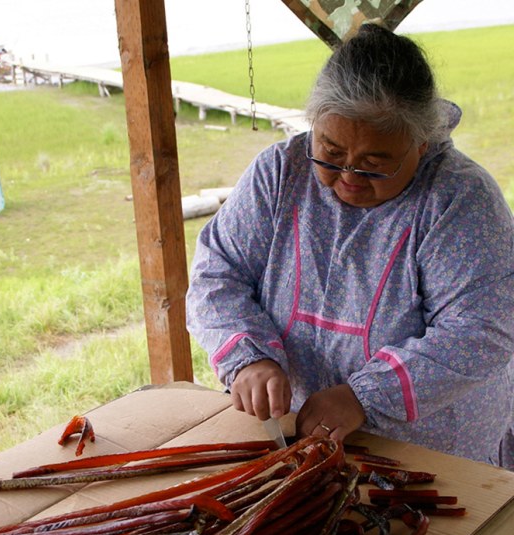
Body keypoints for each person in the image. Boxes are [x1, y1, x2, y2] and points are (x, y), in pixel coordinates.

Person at [186, 23, 514, 469]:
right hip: (298, 432)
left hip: (430, 452)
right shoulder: (281, 173)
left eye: (374, 164)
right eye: (332, 153)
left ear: (422, 142)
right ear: (314, 123)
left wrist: (364, 395)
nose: (349, 178)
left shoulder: (458, 199)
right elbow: (218, 271)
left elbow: (481, 330)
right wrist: (249, 357)